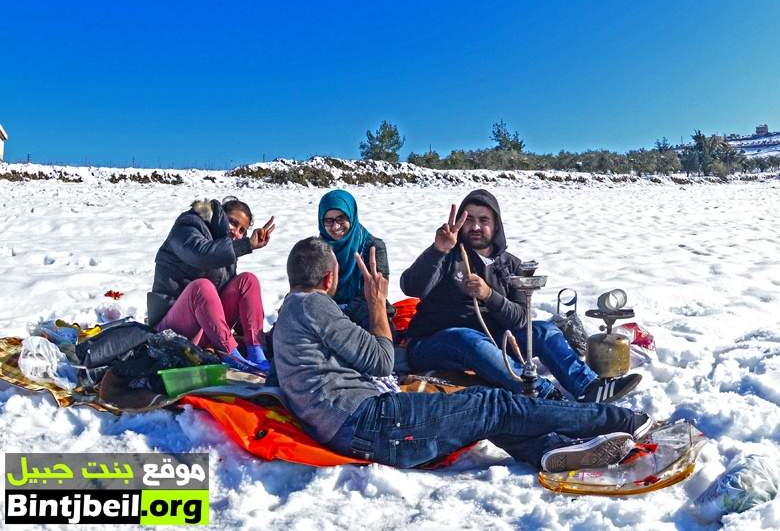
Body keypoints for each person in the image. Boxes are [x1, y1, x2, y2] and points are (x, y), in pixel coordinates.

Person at [272, 237, 652, 472]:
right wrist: (375, 305)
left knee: (483, 416)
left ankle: (552, 451)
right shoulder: (314, 306)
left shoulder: (290, 312)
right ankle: (620, 420)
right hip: (371, 422)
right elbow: (382, 359)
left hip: (359, 425)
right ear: (328, 279)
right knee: (495, 403)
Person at [400, 189, 642, 403]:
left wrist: (489, 295)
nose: (475, 227)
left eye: (483, 220)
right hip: (434, 343)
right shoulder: (447, 255)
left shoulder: (511, 266)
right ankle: (543, 393)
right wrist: (438, 250)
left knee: (544, 331)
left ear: (496, 225)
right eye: (469, 220)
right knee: (467, 338)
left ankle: (588, 386)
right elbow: (411, 287)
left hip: (490, 342)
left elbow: (520, 320)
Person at [147, 197, 275, 373]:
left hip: (207, 332)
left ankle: (257, 353)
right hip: (171, 332)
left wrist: (247, 332)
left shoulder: (226, 250)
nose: (236, 232)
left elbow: (233, 299)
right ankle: (232, 356)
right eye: (232, 222)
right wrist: (245, 245)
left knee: (247, 280)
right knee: (202, 287)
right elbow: (200, 254)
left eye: (242, 230)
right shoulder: (188, 225)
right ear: (220, 215)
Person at [318, 189, 394, 329]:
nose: (335, 226)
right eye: (328, 221)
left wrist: (343, 314)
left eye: (341, 218)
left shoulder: (373, 247)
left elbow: (377, 291)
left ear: (351, 216)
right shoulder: (316, 249)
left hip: (365, 309)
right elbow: (307, 286)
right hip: (327, 311)